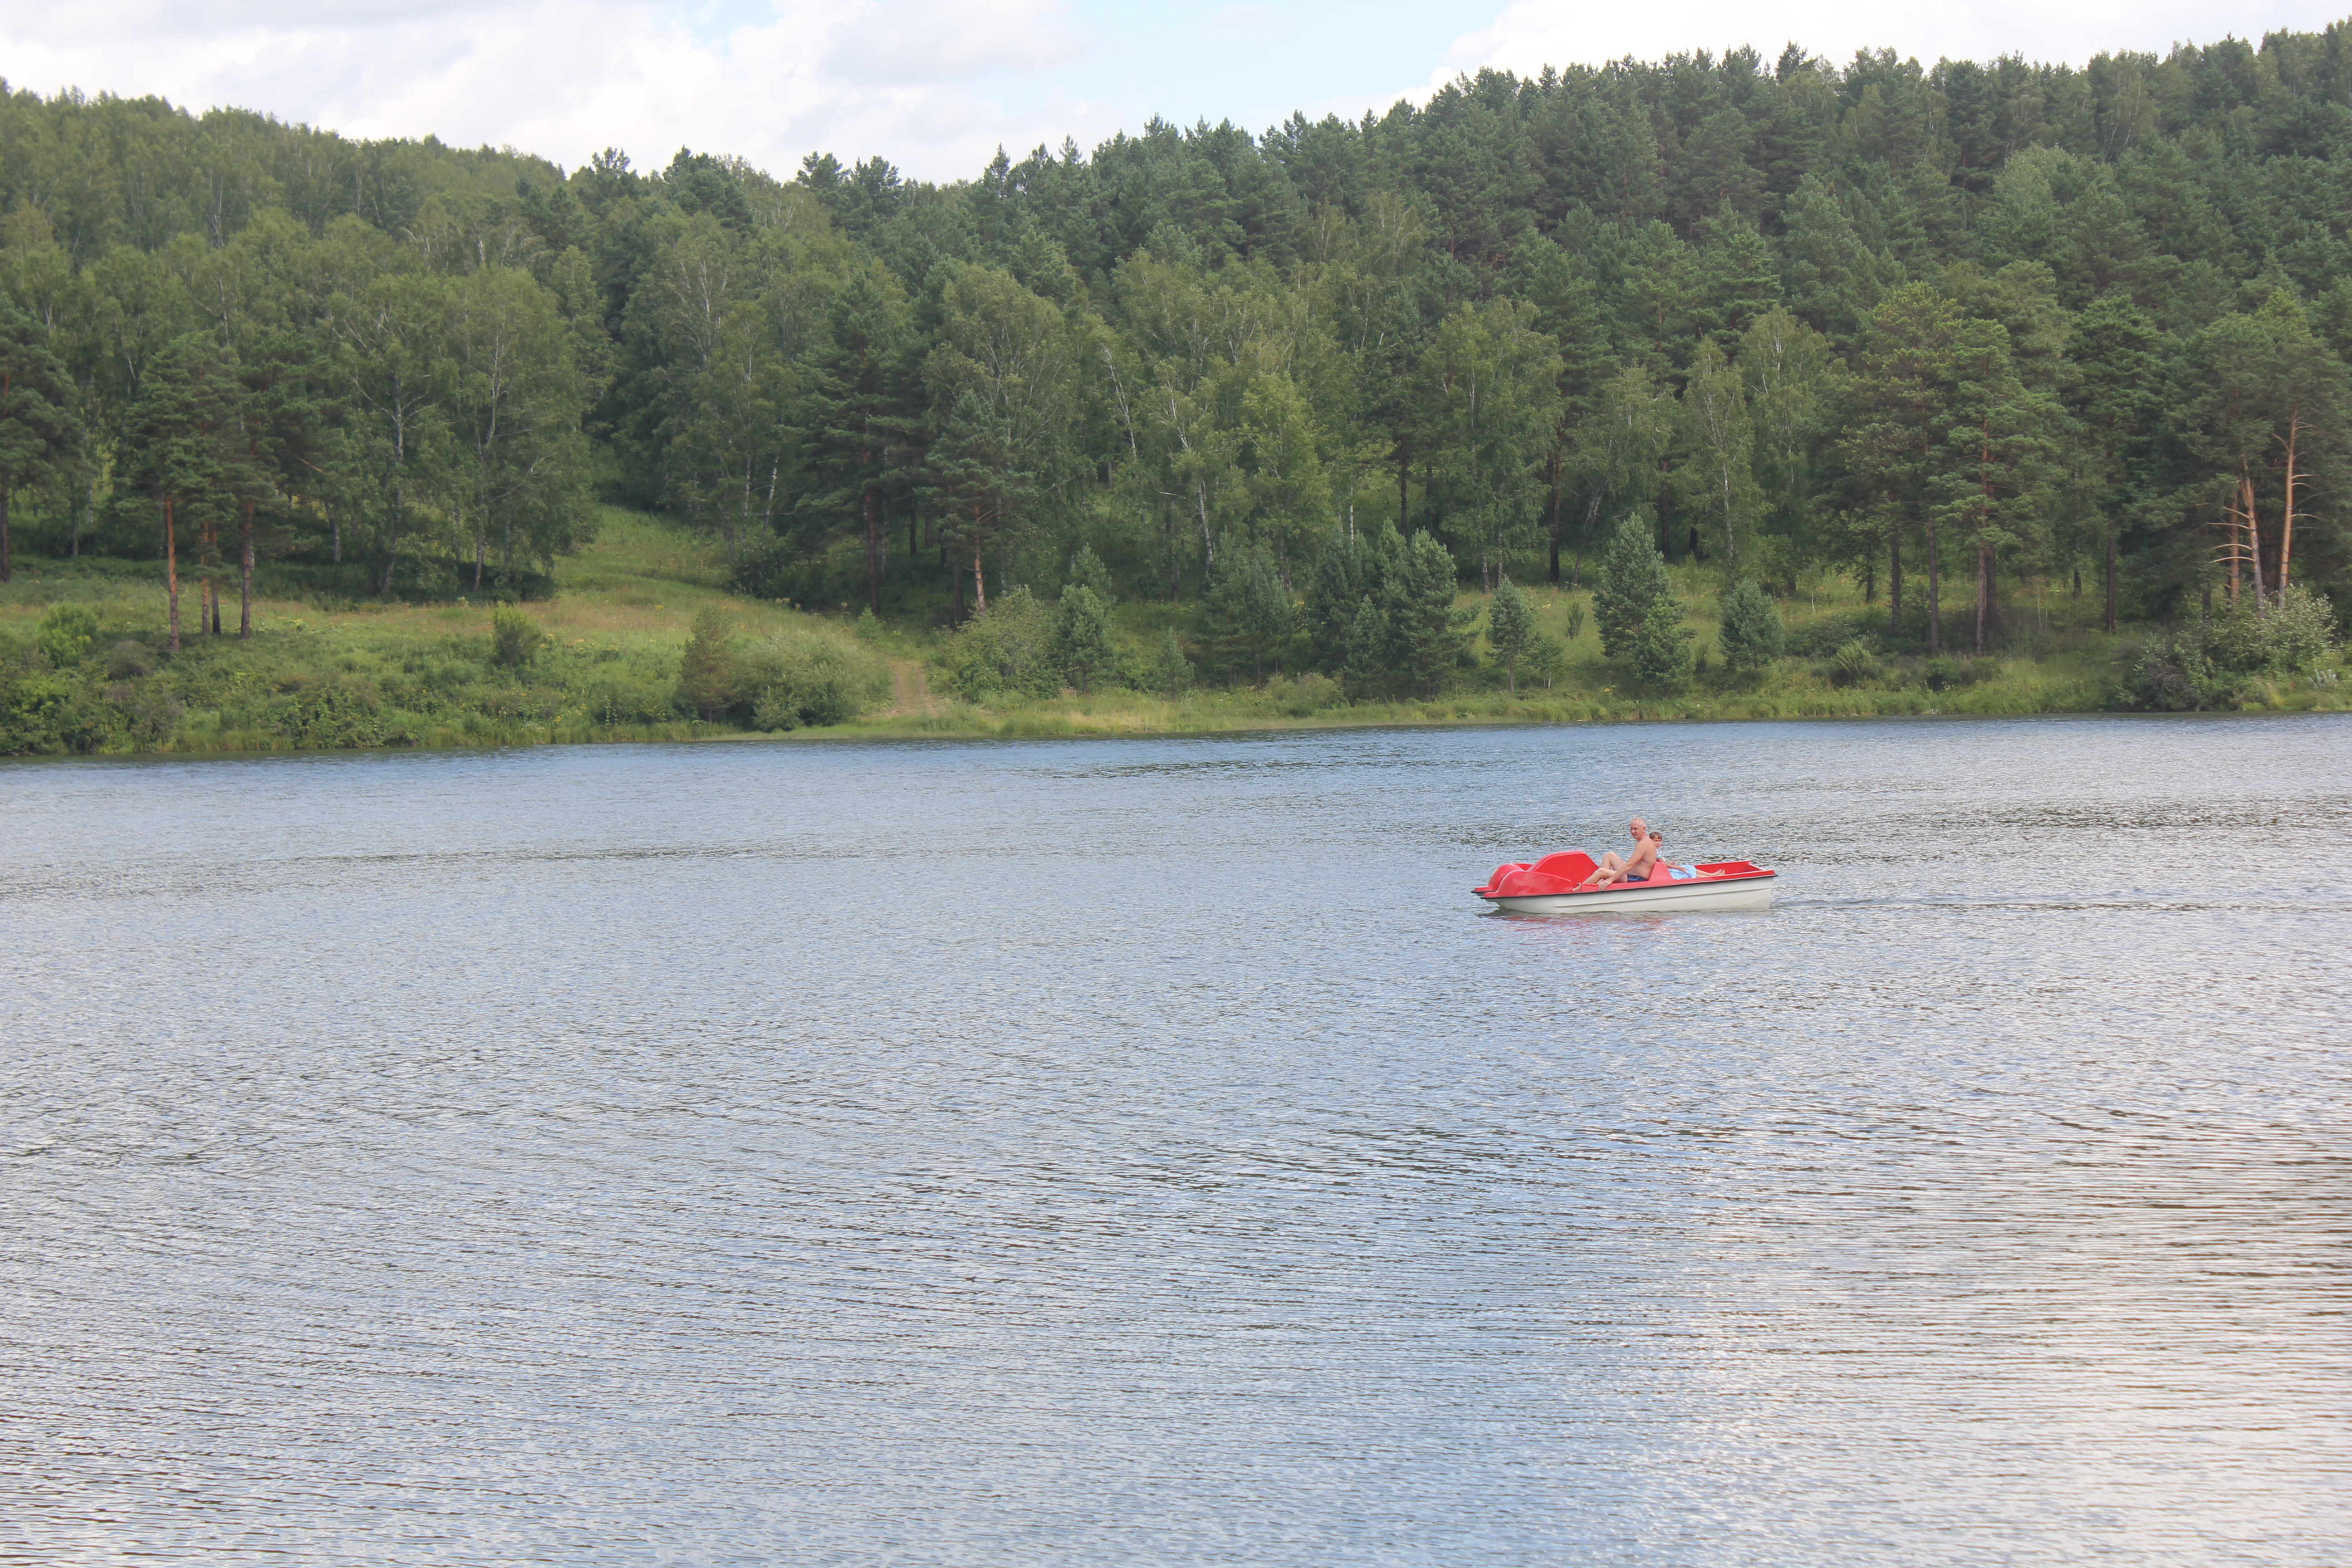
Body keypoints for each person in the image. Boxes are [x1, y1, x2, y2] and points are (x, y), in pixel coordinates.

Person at [1580, 817, 1660, 888]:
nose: (1633, 832)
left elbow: (1629, 866)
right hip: (1630, 875)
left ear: (1644, 829)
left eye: (1636, 829)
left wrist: (1610, 880)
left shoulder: (1643, 844)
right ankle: (1600, 884)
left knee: (1601, 872)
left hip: (1636, 879)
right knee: (1609, 855)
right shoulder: (1646, 842)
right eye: (1631, 829)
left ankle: (1577, 890)